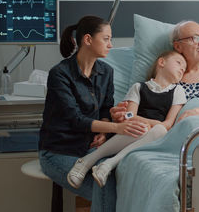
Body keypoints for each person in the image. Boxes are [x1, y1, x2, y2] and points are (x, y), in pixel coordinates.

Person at [38, 15, 148, 212]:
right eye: (106, 39)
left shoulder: (106, 71)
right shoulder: (60, 74)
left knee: (113, 178)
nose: (111, 45)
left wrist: (105, 129)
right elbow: (75, 119)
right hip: (58, 151)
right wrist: (116, 128)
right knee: (107, 188)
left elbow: (105, 107)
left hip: (90, 149)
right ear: (88, 40)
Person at [66, 50, 187, 188]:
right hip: (132, 130)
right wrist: (147, 123)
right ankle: (87, 161)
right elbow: (129, 116)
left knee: (159, 130)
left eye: (184, 68)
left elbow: (168, 124)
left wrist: (150, 124)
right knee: (142, 127)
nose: (182, 68)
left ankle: (109, 163)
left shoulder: (178, 91)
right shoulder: (138, 87)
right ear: (161, 62)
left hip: (157, 136)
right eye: (179, 63)